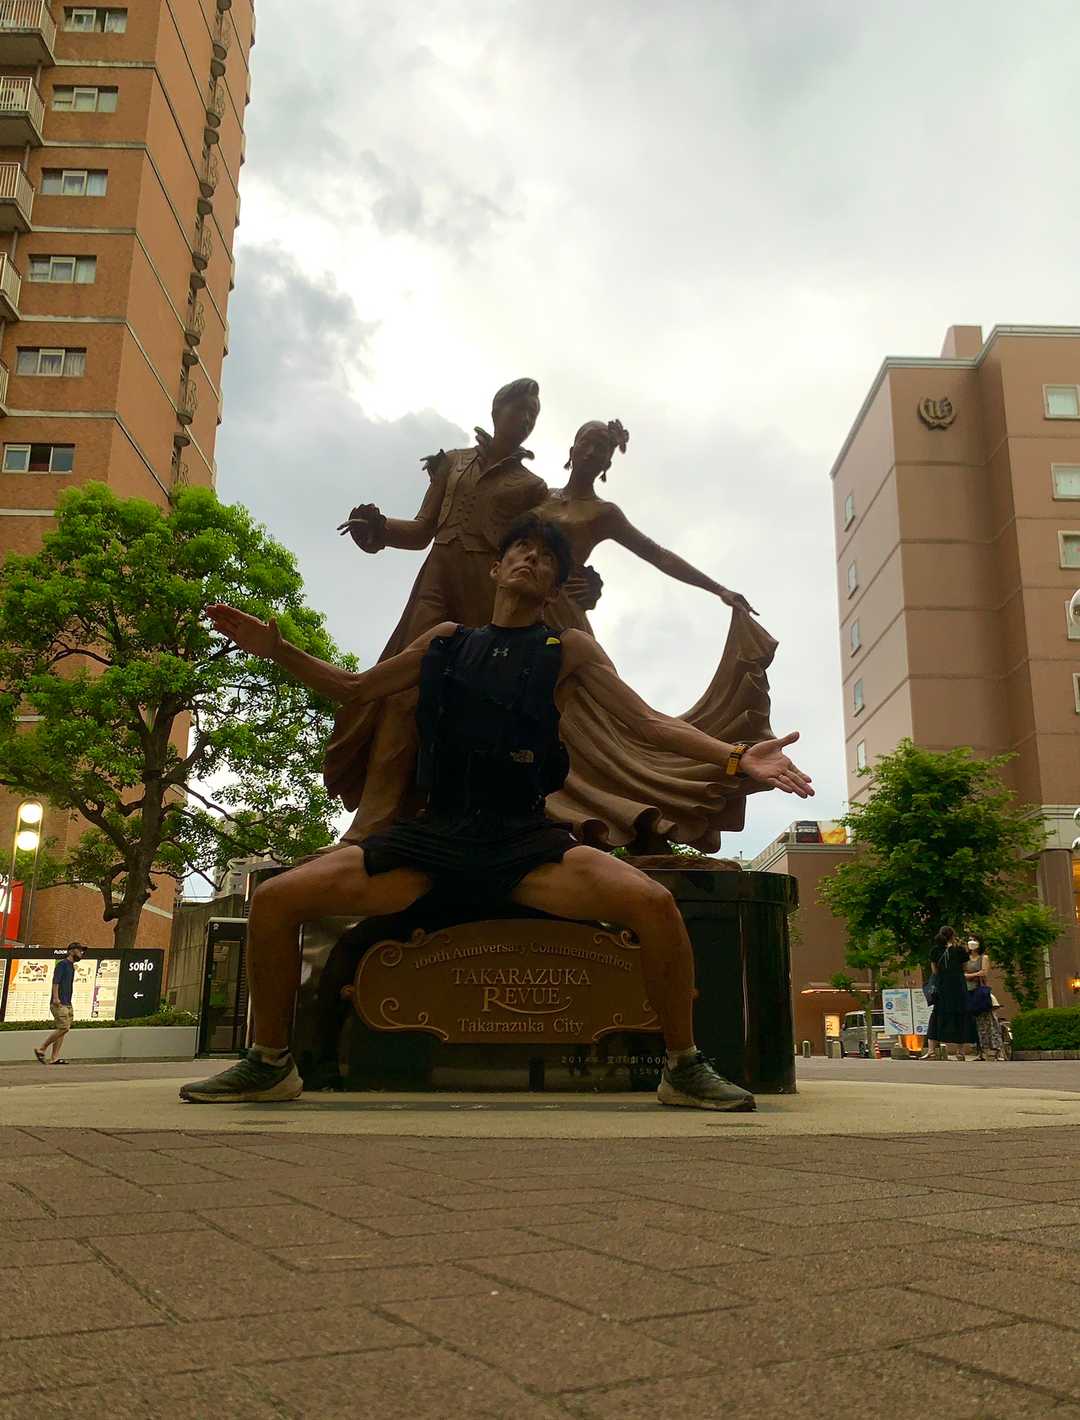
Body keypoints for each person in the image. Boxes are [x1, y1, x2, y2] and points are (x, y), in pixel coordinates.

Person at [180, 516, 813, 1110]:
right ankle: (270, 1063)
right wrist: (277, 649)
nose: (531, 560)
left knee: (654, 904)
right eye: (521, 550)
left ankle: (683, 1066)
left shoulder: (566, 649)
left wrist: (736, 758)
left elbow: (647, 723)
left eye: (546, 558)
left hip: (523, 841)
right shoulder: (445, 642)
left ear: (554, 588)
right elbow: (353, 687)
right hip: (432, 838)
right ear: (496, 568)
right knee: (275, 900)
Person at [332, 378, 548, 837]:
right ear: (498, 409)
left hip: (488, 591)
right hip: (436, 582)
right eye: (520, 409)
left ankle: (472, 820)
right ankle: (370, 826)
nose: (527, 419)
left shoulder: (532, 486)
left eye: (534, 414)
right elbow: (421, 530)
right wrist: (379, 529)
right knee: (404, 692)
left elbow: (538, 547)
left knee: (481, 700)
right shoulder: (452, 462)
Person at [922, 926, 972, 1061]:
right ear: (953, 936)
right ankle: (960, 1052)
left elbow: (934, 971)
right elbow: (965, 968)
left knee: (937, 1015)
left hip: (942, 987)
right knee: (960, 1016)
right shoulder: (960, 950)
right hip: (958, 987)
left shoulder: (935, 951)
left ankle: (931, 1050)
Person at [33, 942, 85, 1065]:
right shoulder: (62, 964)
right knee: (64, 1027)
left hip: (67, 1003)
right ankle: (42, 1049)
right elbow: (55, 982)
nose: (81, 953)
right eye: (79, 950)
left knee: (63, 1030)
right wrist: (56, 998)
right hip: (59, 1003)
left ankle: (54, 1058)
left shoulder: (72, 966)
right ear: (71, 951)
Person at [965, 936, 1005, 1061]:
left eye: (974, 940)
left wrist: (969, 975)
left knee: (990, 1021)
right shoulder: (965, 959)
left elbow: (983, 973)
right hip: (969, 992)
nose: (971, 942)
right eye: (969, 940)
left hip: (980, 992)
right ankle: (981, 1051)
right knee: (976, 1024)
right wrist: (973, 975)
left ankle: (998, 1051)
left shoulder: (984, 958)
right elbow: (962, 974)